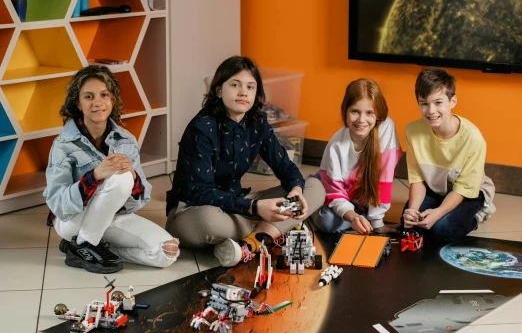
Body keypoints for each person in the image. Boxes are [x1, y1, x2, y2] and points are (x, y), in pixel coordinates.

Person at [165, 55, 325, 267]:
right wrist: (256, 208)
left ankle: (253, 242)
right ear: (218, 90)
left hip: (238, 205)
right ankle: (271, 228)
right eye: (235, 85)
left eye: (250, 87)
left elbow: (285, 167)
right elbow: (200, 192)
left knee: (315, 187)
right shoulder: (201, 128)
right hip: (194, 211)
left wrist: (296, 190)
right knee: (210, 222)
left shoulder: (257, 122)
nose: (243, 92)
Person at [44, 65, 180, 273]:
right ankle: (85, 244)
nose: (97, 102)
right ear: (78, 103)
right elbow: (59, 205)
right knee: (121, 177)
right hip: (73, 218)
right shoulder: (63, 144)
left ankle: (82, 246)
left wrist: (134, 177)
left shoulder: (127, 140)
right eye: (88, 96)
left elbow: (136, 203)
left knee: (167, 253)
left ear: (113, 99)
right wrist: (96, 176)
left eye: (104, 95)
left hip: (112, 216)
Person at [402, 67, 495, 243]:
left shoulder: (473, 139)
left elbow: (462, 189)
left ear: (452, 101)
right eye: (424, 103)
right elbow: (417, 179)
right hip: (436, 187)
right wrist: (412, 210)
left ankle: (480, 213)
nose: (431, 111)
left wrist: (438, 213)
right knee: (410, 226)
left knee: (441, 230)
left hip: (468, 192)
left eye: (438, 103)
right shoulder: (412, 132)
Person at [313, 79, 402, 235]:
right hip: (338, 188)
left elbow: (384, 180)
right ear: (345, 112)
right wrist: (352, 216)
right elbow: (336, 192)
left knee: (348, 219)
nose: (361, 120)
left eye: (369, 113)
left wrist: (377, 222)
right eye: (355, 111)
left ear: (378, 114)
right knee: (326, 222)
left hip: (363, 197)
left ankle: (362, 215)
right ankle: (311, 187)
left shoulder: (386, 128)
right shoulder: (336, 145)